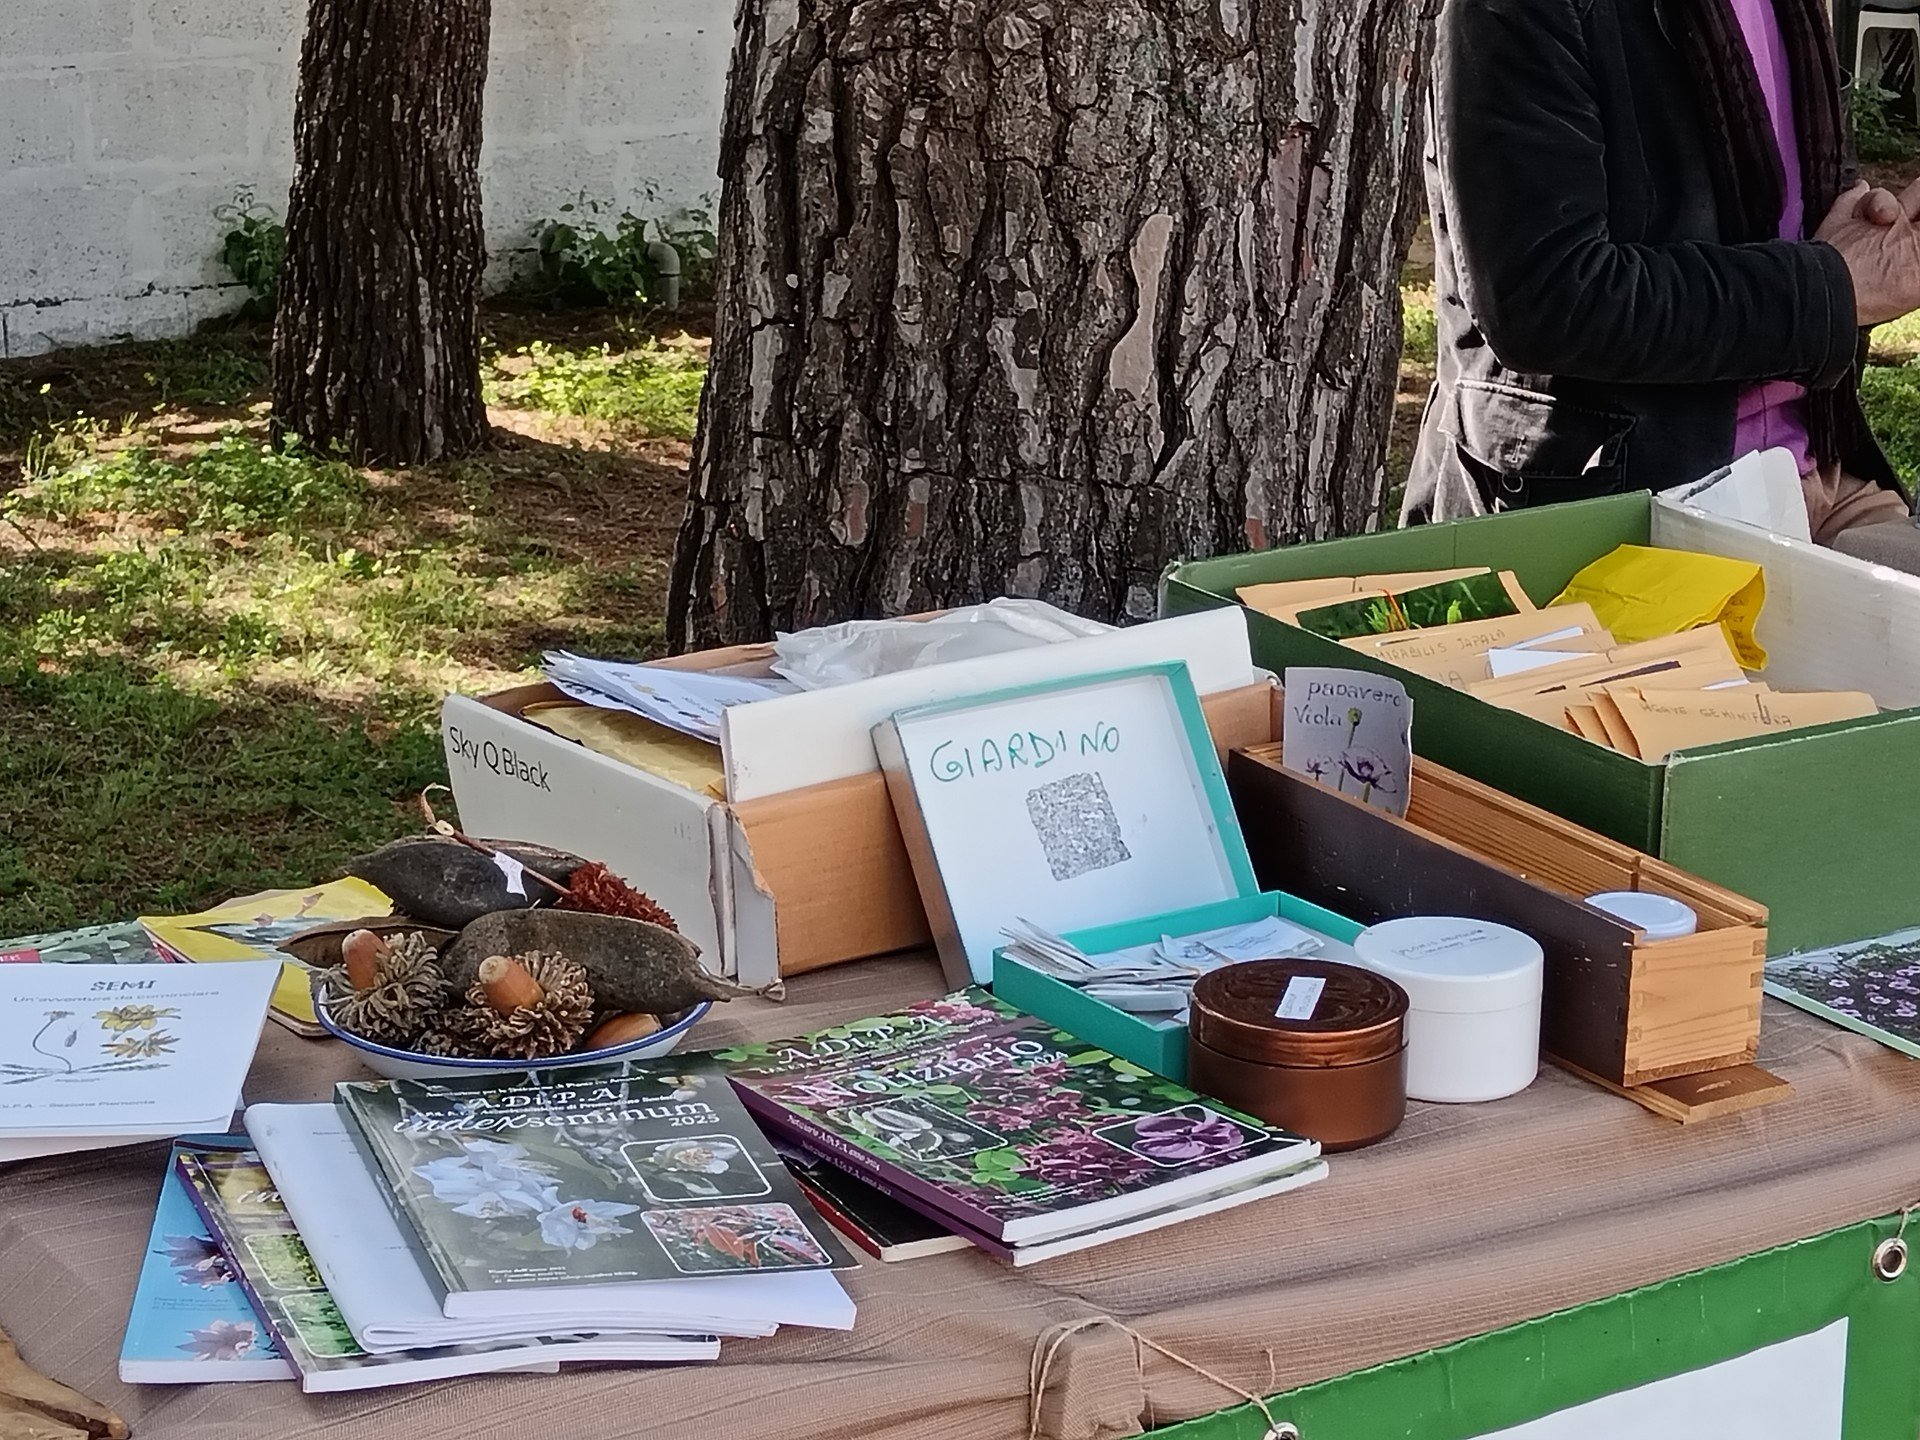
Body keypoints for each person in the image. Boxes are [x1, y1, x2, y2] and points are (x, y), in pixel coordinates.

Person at [1405, 0, 1920, 569]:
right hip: (1627, 511)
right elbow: (1545, 299)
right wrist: (1829, 289)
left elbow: (1812, 220)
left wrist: (1885, 249)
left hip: (1813, 477)